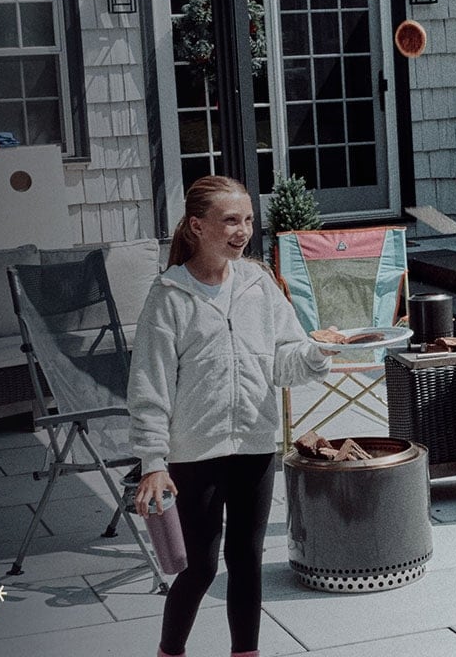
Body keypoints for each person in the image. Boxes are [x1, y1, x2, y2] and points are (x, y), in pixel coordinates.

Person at [128, 175, 335, 657]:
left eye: (247, 220)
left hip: (256, 447)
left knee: (247, 560)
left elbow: (283, 359)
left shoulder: (259, 285)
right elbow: (150, 387)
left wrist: (317, 352)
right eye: (230, 221)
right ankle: (170, 652)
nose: (242, 230)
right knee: (197, 566)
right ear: (197, 226)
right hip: (194, 452)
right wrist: (153, 461)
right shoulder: (169, 296)